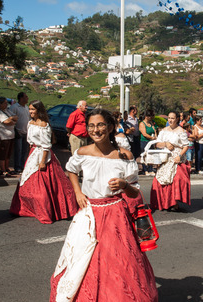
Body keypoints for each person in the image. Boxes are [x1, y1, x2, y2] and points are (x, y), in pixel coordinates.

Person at [50, 109, 158, 302]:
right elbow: (71, 170)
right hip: (89, 213)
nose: (95, 130)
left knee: (118, 261)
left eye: (100, 125)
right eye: (91, 126)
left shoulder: (124, 155)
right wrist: (77, 192)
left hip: (116, 214)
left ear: (109, 128)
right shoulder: (82, 152)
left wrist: (124, 185)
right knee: (84, 259)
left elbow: (135, 192)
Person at [10, 100, 78, 224]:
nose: (30, 112)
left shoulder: (44, 125)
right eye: (29, 109)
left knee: (44, 185)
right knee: (26, 181)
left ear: (38, 110)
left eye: (33, 109)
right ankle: (28, 208)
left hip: (43, 154)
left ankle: (47, 209)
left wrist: (42, 161)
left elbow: (46, 145)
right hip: (33, 153)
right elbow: (30, 141)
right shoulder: (30, 123)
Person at [150, 112, 190, 211]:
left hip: (176, 157)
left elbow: (186, 146)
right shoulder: (163, 131)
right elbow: (157, 144)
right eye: (169, 118)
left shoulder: (181, 131)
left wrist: (179, 156)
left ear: (177, 119)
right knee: (160, 180)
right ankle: (163, 202)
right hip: (165, 156)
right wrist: (166, 143)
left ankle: (174, 202)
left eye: (172, 118)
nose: (170, 120)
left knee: (176, 179)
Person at [0, 97, 18, 177]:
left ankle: (7, 168)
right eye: (4, 103)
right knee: (3, 153)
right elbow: (7, 122)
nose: (6, 104)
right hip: (3, 136)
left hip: (11, 135)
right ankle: (2, 169)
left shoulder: (7, 111)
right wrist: (11, 119)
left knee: (8, 153)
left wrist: (11, 119)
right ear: (0, 104)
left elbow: (16, 118)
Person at [10, 92, 30, 174]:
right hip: (18, 131)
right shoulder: (14, 107)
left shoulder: (26, 107)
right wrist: (15, 130)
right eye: (26, 97)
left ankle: (22, 165)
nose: (27, 98)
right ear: (21, 98)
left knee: (24, 151)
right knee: (18, 150)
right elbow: (11, 119)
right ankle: (17, 167)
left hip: (26, 132)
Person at [139, 109, 157, 176]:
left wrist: (155, 137)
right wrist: (152, 137)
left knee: (151, 155)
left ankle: (150, 169)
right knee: (144, 155)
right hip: (144, 142)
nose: (151, 117)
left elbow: (154, 130)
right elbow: (144, 134)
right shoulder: (142, 124)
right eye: (149, 116)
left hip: (151, 142)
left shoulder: (151, 123)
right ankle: (145, 169)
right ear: (146, 116)